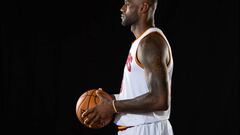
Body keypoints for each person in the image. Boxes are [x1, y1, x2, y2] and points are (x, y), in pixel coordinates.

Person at [82, 0, 174, 134]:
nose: (122, 8)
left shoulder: (151, 43)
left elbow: (159, 100)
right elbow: (141, 93)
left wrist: (112, 107)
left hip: (147, 129)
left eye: (128, 3)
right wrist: (114, 99)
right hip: (139, 128)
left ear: (143, 7)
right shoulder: (142, 42)